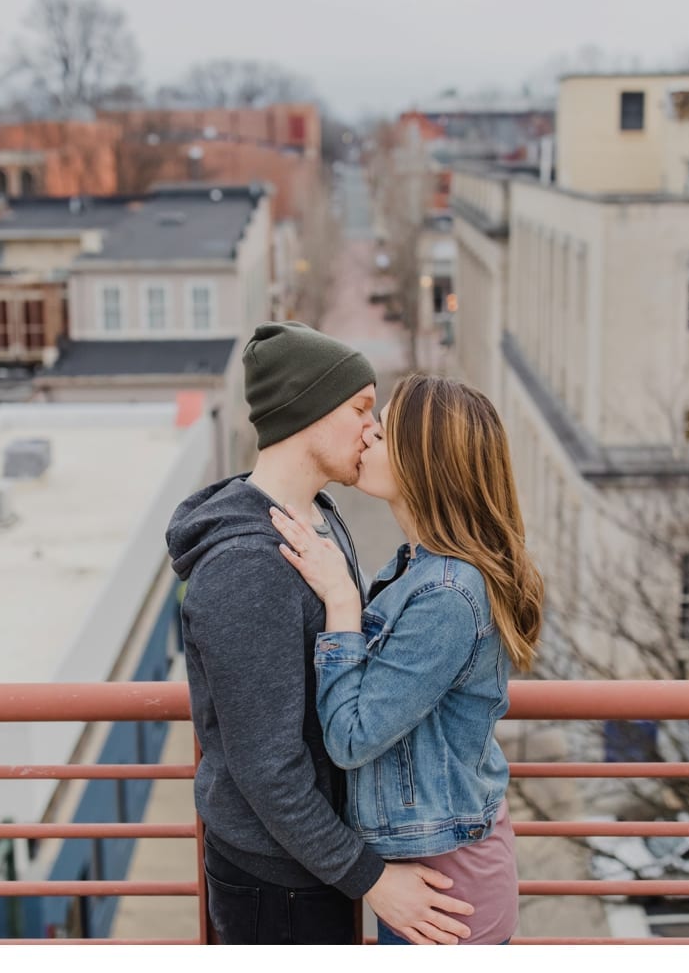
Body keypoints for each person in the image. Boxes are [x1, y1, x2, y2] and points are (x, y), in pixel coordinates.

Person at [166, 322, 475, 945]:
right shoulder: (246, 566)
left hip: (317, 858)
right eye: (361, 408)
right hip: (275, 880)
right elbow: (267, 767)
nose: (373, 428)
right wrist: (371, 879)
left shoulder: (321, 520)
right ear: (309, 412)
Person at [268, 373, 545, 945]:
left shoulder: (447, 594)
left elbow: (352, 738)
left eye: (385, 429)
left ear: (425, 462)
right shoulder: (415, 568)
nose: (367, 435)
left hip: (448, 888)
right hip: (429, 868)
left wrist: (342, 601)